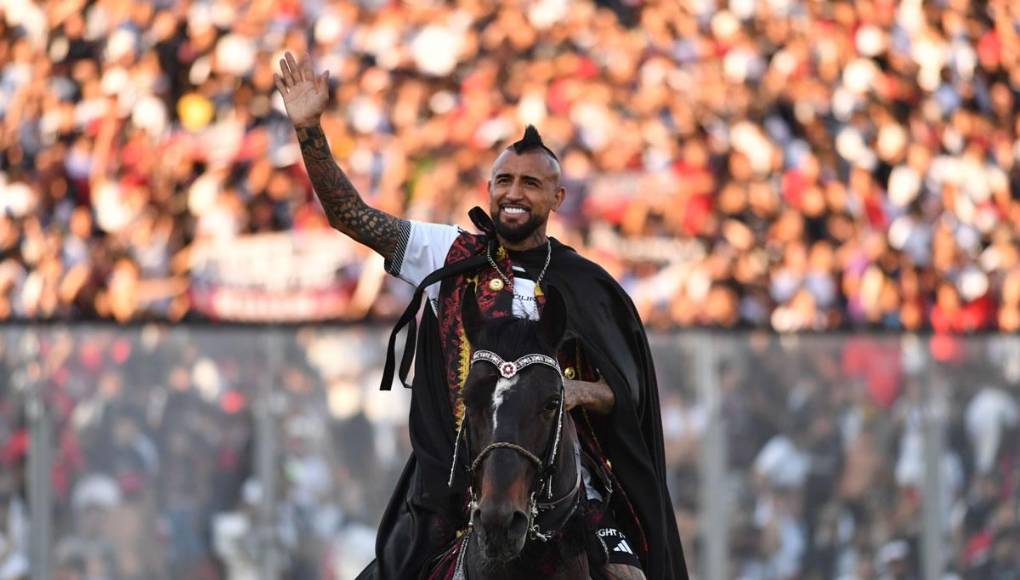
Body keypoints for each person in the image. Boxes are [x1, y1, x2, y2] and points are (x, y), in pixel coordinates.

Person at [275, 52, 688, 580]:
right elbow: (350, 216)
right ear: (489, 188)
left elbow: (626, 395)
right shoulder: (447, 252)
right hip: (454, 479)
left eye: (530, 184)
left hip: (574, 486)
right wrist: (309, 130)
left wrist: (576, 392)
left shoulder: (586, 284)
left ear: (557, 197)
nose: (514, 193)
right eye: (504, 180)